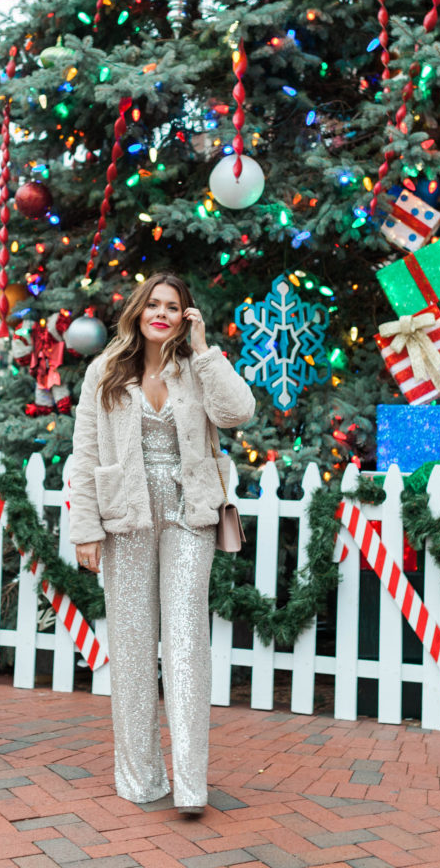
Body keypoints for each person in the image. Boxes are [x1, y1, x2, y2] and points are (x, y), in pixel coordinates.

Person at [68, 273, 256, 816]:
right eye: (154, 303)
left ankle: (191, 783)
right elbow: (82, 456)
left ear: (185, 317)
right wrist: (85, 529)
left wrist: (204, 352)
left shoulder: (196, 370)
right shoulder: (104, 371)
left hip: (187, 514)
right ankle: (139, 777)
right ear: (138, 310)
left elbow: (237, 412)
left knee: (185, 640)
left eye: (173, 307)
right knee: (128, 647)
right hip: (125, 516)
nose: (162, 313)